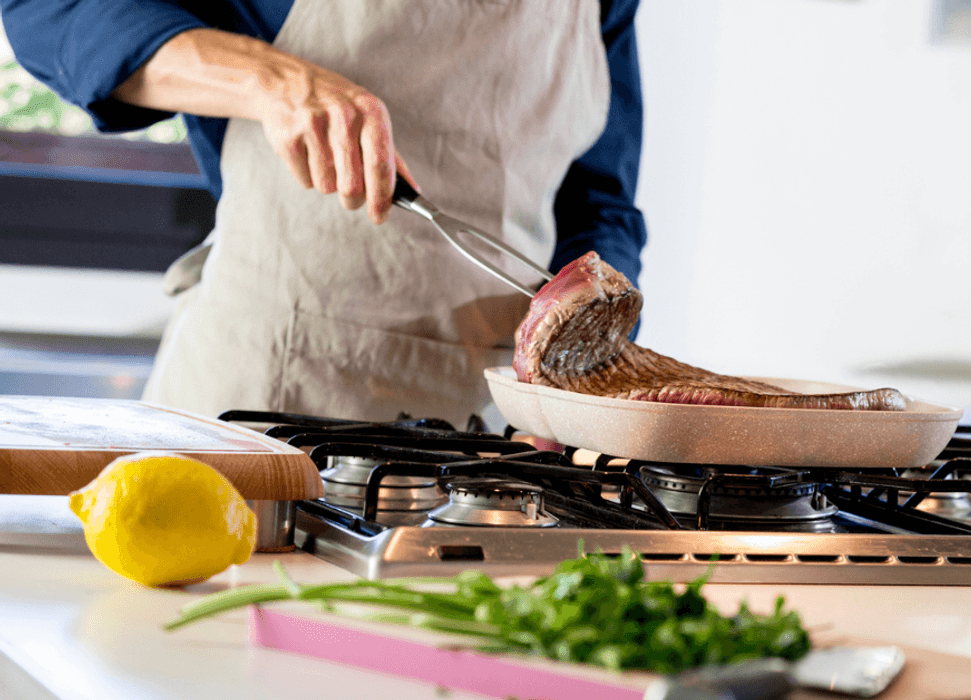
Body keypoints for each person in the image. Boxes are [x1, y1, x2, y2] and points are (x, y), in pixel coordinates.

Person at [0, 0, 647, 428]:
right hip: (260, 404)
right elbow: (53, 11)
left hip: (497, 430)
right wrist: (270, 80)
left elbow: (598, 201)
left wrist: (587, 341)